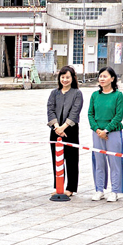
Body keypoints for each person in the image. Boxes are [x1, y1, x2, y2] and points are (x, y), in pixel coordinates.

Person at [87, 67, 123, 201]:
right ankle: (99, 189)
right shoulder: (95, 95)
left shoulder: (118, 95)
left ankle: (115, 190)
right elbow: (90, 114)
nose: (102, 79)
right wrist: (97, 129)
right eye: (100, 76)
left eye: (105, 76)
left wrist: (107, 130)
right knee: (99, 161)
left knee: (114, 161)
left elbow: (119, 115)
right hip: (97, 132)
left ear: (112, 78)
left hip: (113, 132)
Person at [46, 66, 83, 196]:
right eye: (62, 77)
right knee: (56, 158)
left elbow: (75, 112)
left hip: (70, 129)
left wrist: (63, 127)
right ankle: (58, 186)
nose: (65, 80)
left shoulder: (77, 93)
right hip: (55, 130)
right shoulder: (54, 93)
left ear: (73, 78)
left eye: (68, 77)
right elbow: (50, 109)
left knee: (71, 159)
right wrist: (57, 127)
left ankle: (71, 187)